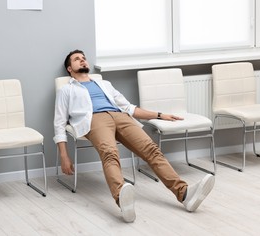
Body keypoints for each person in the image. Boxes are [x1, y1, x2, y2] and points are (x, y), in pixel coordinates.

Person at [53, 49, 215, 223]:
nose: (83, 61)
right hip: (94, 119)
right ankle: (122, 201)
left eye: (84, 58)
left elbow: (130, 108)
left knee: (151, 149)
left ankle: (184, 194)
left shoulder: (105, 84)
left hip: (120, 116)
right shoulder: (66, 90)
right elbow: (59, 123)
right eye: (77, 59)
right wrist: (64, 155)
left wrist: (160, 115)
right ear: (70, 69)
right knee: (109, 154)